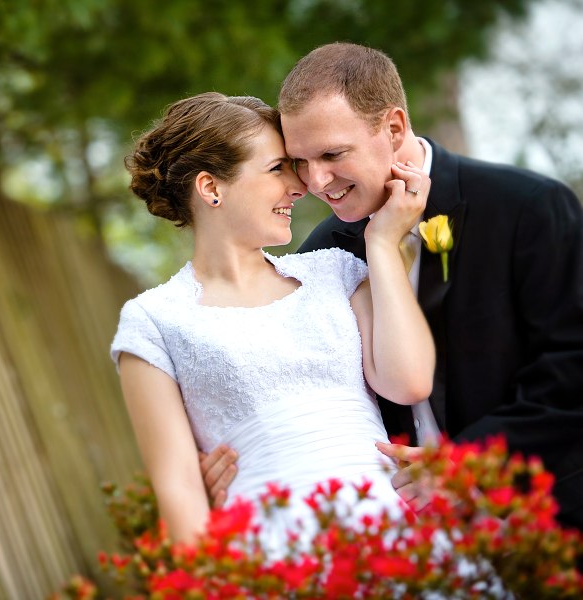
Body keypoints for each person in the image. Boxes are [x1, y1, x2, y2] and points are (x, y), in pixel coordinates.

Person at [199, 43, 583, 532]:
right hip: (407, 542)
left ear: (394, 128)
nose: (317, 181)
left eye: (332, 154)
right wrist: (224, 466)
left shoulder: (526, 207)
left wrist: (465, 467)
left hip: (551, 525)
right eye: (299, 161)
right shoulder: (322, 256)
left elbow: (571, 373)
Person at [111, 91, 435, 550]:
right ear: (211, 188)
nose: (300, 186)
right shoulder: (153, 322)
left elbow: (409, 383)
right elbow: (179, 489)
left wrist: (381, 243)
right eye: (276, 168)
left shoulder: (336, 273)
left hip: (391, 535)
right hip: (269, 553)